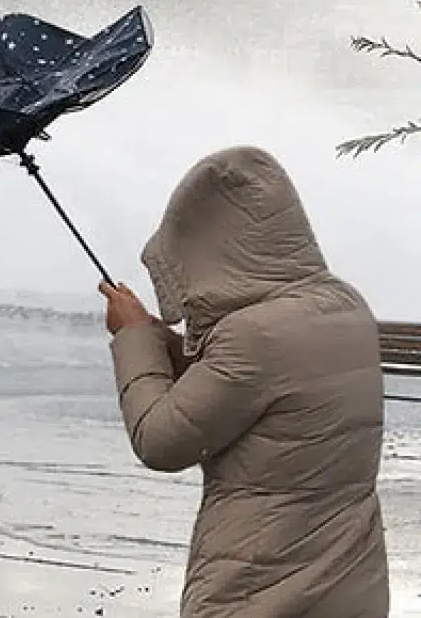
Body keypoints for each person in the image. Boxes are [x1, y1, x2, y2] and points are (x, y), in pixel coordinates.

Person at [98, 145, 389, 617]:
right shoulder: (344, 304)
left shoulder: (253, 334)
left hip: (260, 583)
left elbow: (161, 442)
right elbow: (257, 394)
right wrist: (161, 340)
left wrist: (133, 338)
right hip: (349, 580)